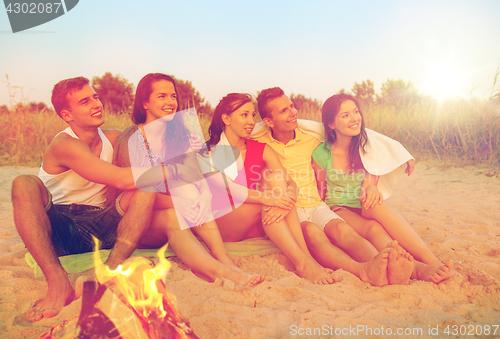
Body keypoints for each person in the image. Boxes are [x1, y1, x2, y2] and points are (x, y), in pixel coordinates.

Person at [10, 76, 188, 322]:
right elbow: (121, 178)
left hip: (101, 225)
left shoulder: (115, 138)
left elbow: (146, 143)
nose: (96, 104)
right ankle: (58, 282)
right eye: (85, 101)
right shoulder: (65, 144)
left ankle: (111, 271)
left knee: (146, 184)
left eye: (95, 97)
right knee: (23, 183)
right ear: (67, 115)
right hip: (59, 228)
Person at [253, 87, 420, 287]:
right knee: (314, 233)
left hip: (316, 204)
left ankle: (383, 265)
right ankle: (361, 270)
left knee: (343, 230)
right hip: (289, 208)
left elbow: (359, 134)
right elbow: (232, 139)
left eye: (292, 106)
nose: (293, 112)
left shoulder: (312, 138)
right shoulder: (259, 142)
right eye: (284, 111)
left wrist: (401, 153)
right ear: (269, 122)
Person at [111, 74, 265, 289]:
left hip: (181, 210)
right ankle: (220, 270)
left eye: (173, 96)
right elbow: (138, 194)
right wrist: (185, 203)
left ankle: (223, 258)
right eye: (162, 96)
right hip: (138, 217)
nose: (170, 102)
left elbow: (197, 176)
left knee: (193, 192)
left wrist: (205, 195)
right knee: (181, 202)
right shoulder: (131, 139)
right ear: (145, 102)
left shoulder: (181, 131)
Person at [312, 93, 453, 282]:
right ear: (330, 124)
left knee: (376, 205)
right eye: (345, 115)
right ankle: (417, 269)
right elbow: (321, 192)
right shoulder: (321, 154)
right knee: (373, 228)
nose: (354, 118)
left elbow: (374, 170)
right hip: (339, 207)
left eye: (355, 112)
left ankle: (430, 259)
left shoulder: (367, 145)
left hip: (363, 201)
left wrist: (372, 187)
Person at [200, 93, 337, 284]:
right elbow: (229, 189)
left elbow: (289, 182)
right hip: (223, 222)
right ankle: (303, 262)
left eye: (252, 115)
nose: (250, 121)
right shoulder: (209, 153)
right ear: (226, 118)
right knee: (273, 197)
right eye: (244, 115)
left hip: (256, 221)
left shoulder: (261, 148)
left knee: (276, 180)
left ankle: (306, 258)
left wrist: (289, 194)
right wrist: (270, 199)